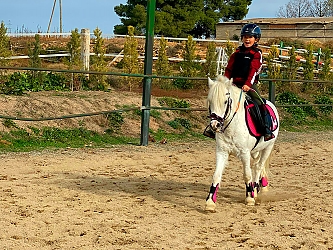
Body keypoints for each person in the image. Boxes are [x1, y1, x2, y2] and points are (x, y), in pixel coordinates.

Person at [203, 23, 275, 141]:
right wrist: (223, 83)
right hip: (233, 84)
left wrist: (247, 84)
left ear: (256, 39)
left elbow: (254, 70)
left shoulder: (257, 54)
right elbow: (229, 69)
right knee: (218, 100)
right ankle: (212, 127)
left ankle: (266, 129)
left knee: (259, 102)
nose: (247, 39)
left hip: (248, 85)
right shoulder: (236, 54)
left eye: (250, 37)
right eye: (245, 37)